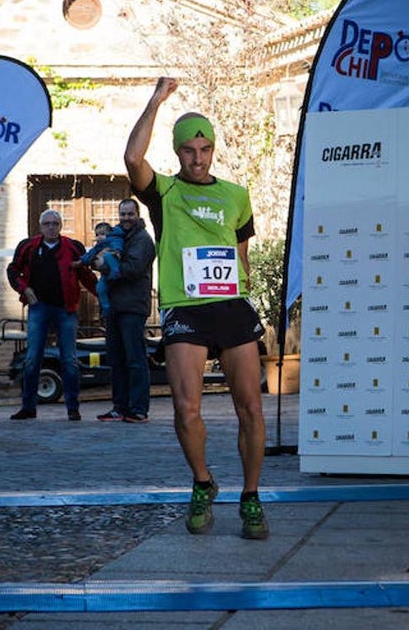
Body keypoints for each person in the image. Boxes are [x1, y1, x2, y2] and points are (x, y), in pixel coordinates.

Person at [125, 76, 269, 540]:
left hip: (229, 306)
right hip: (185, 308)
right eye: (190, 149)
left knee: (250, 407)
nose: (199, 157)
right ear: (178, 151)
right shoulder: (164, 191)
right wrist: (156, 99)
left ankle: (251, 497)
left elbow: (241, 250)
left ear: (214, 150)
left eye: (205, 148)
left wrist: (245, 291)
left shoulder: (236, 195)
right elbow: (132, 158)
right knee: (186, 409)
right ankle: (203, 483)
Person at [6, 209, 95, 421]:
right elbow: (13, 270)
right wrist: (24, 290)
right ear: (41, 226)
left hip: (66, 309)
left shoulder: (73, 247)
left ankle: (73, 407)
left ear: (61, 226)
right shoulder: (28, 246)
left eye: (55, 223)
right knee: (32, 358)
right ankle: (28, 407)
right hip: (39, 308)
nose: (52, 227)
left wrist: (103, 296)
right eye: (47, 223)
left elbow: (85, 274)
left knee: (69, 360)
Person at [93, 199, 156, 424]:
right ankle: (120, 407)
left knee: (135, 359)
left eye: (130, 214)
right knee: (116, 359)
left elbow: (133, 269)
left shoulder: (143, 240)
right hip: (114, 306)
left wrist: (105, 265)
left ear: (138, 215)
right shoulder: (118, 236)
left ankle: (139, 409)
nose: (126, 218)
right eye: (123, 214)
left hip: (133, 306)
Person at [82, 220, 124, 317]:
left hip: (113, 265)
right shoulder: (98, 246)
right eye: (97, 234)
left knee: (109, 256)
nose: (99, 237)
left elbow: (117, 245)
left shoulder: (115, 239)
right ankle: (106, 307)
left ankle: (115, 272)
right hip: (105, 275)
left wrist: (117, 251)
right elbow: (90, 254)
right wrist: (82, 260)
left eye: (103, 234)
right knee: (100, 288)